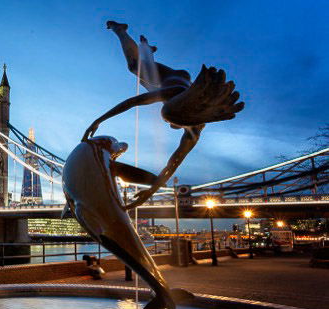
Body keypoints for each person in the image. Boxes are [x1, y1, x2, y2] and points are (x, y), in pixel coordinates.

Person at [83, 21, 243, 208]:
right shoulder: (174, 94)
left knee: (146, 82)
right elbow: (132, 102)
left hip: (179, 84)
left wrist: (150, 192)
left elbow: (172, 165)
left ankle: (148, 52)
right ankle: (121, 30)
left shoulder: (194, 130)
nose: (169, 125)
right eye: (169, 121)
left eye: (169, 122)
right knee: (135, 67)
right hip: (173, 77)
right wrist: (98, 121)